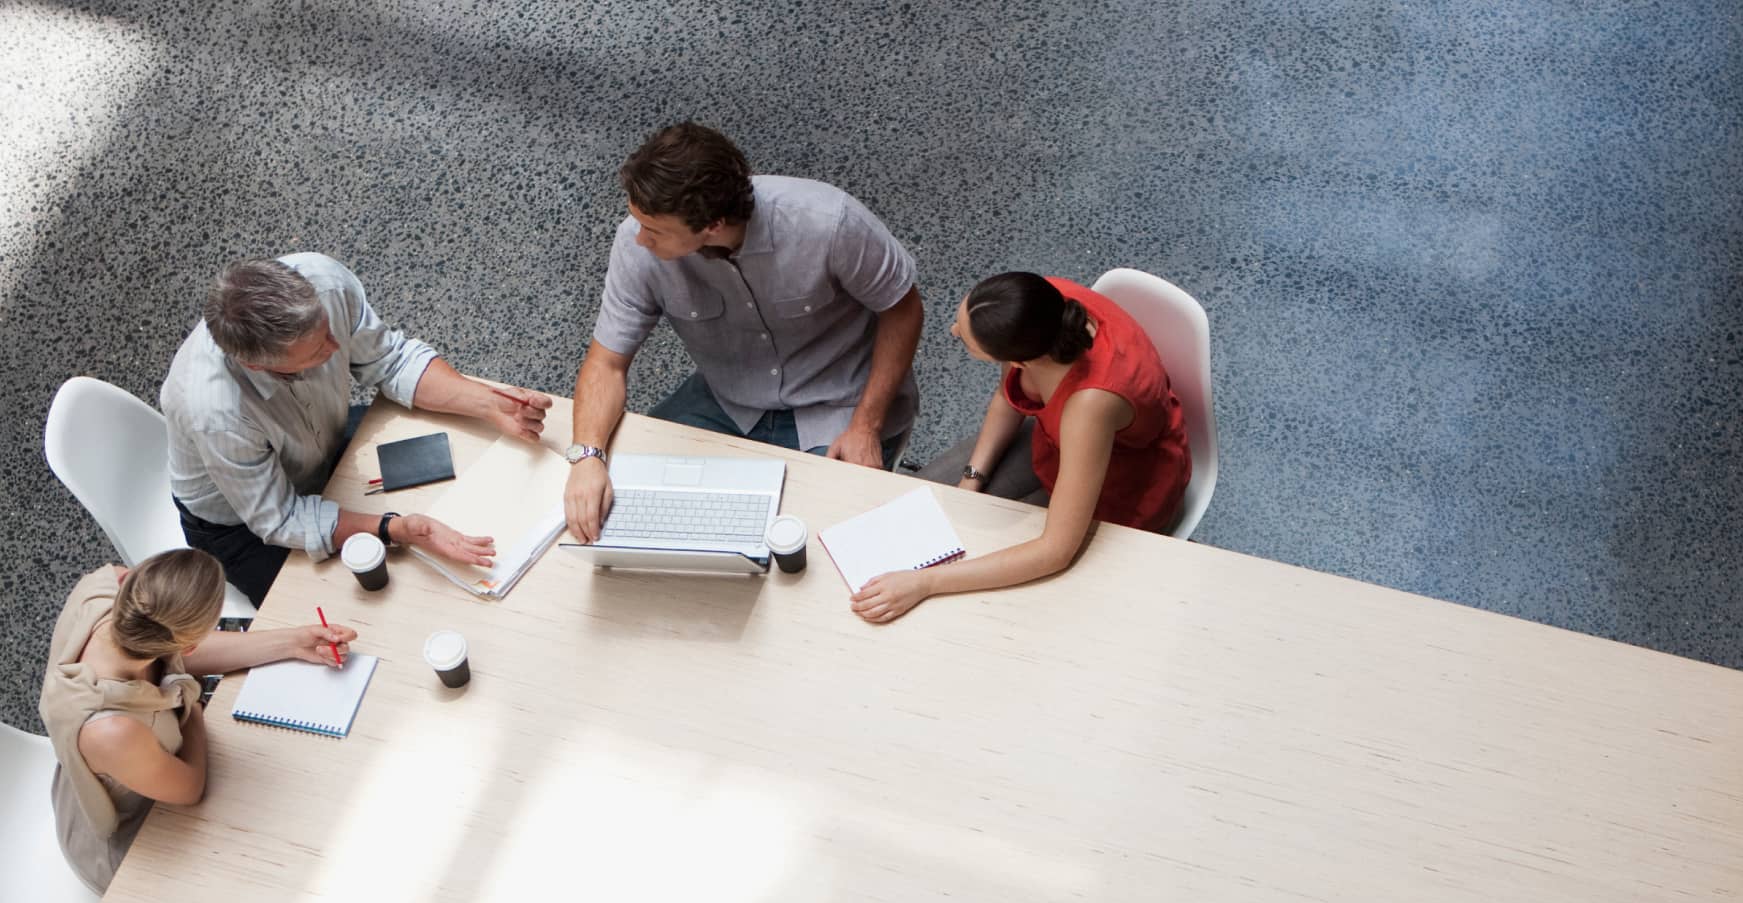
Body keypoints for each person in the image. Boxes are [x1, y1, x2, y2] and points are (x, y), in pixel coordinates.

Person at [564, 122, 926, 542]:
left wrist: (865, 426)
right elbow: (606, 363)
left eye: (656, 231)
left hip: (839, 402)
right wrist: (586, 457)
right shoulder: (635, 243)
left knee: (828, 536)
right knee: (626, 490)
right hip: (728, 400)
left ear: (713, 225)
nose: (639, 239)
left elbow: (903, 310)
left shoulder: (830, 223)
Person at [162, 253, 553, 606]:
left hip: (321, 443)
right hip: (243, 524)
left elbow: (391, 361)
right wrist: (393, 528)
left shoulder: (323, 281)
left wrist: (487, 402)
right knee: (366, 610)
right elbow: (280, 518)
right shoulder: (213, 411)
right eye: (317, 353)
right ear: (259, 366)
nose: (335, 347)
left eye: (329, 330)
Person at [865, 273, 1191, 623]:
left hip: (1123, 483)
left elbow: (1054, 551)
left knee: (995, 592)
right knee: (940, 505)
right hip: (1060, 439)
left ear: (1022, 360)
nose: (953, 331)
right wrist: (972, 480)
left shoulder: (1090, 405)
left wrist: (925, 582)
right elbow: (1009, 395)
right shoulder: (1036, 307)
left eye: (966, 339)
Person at [38, 548, 357, 893]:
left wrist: (295, 643)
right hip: (132, 835)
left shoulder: (112, 588)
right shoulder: (112, 730)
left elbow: (167, 648)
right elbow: (189, 787)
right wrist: (194, 710)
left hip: (138, 766)